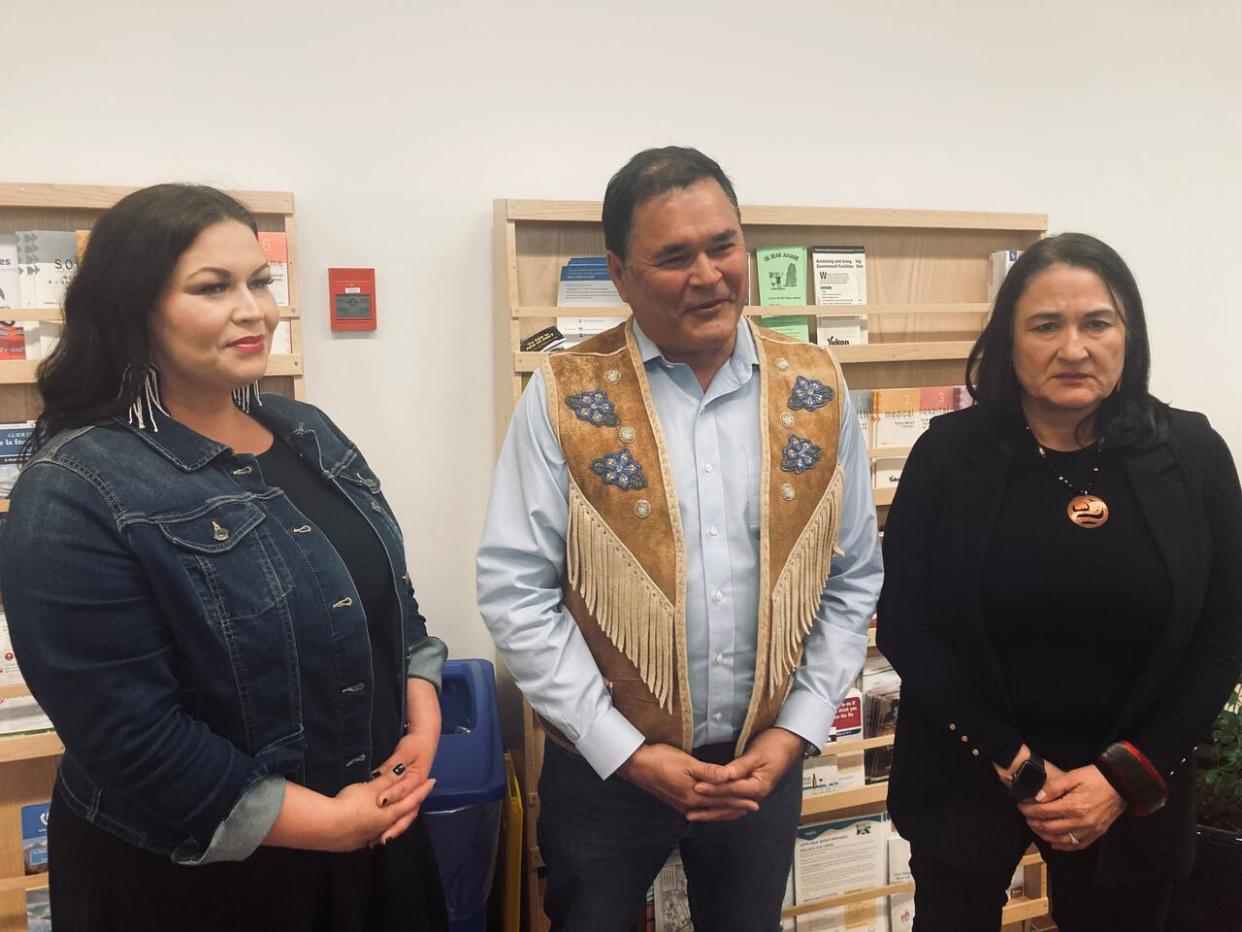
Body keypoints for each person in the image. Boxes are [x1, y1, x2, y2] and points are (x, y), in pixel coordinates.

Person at [0, 184, 449, 932]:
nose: (255, 310)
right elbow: (129, 737)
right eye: (214, 288)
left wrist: (421, 712)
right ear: (135, 308)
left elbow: (387, 603)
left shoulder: (309, 432)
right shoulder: (77, 487)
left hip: (374, 832)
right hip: (199, 880)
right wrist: (327, 824)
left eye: (260, 281)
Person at [476, 146, 883, 931]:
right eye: (673, 256)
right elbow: (515, 591)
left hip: (758, 766)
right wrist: (624, 750)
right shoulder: (565, 393)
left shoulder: (816, 387)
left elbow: (852, 575)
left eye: (723, 245)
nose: (708, 274)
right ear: (620, 275)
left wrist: (795, 732)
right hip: (606, 772)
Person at [876, 232, 1242, 931]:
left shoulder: (1192, 454)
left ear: (1128, 335)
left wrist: (1121, 777)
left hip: (1133, 784)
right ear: (1008, 342)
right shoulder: (950, 456)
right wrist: (1015, 764)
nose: (1073, 349)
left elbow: (1223, 636)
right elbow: (907, 625)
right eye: (1046, 325)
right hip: (970, 767)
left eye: (1096, 323)